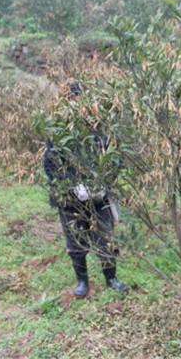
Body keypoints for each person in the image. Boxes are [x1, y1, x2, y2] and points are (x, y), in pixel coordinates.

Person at [43, 82, 126, 298]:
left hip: (99, 196)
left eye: (79, 99)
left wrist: (103, 181)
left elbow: (115, 157)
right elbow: (50, 163)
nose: (76, 104)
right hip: (70, 199)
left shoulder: (98, 126)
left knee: (105, 238)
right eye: (71, 99)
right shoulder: (57, 130)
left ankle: (111, 278)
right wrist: (72, 184)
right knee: (75, 241)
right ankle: (82, 282)